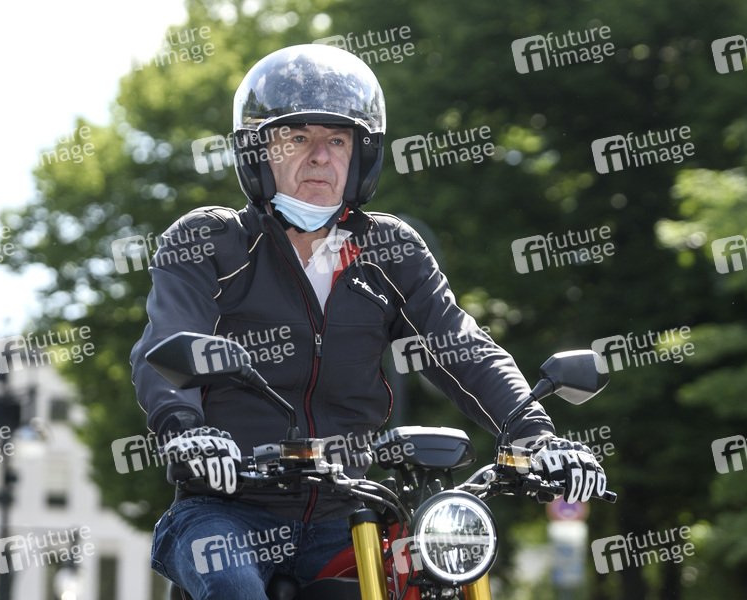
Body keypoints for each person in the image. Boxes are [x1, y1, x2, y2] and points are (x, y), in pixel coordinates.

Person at [130, 43, 607, 600]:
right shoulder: (211, 241)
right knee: (232, 582)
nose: (320, 157)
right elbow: (169, 343)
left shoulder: (391, 250)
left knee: (433, 583)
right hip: (228, 509)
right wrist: (188, 431)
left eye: (338, 141)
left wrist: (538, 438)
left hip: (350, 513)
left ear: (361, 156)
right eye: (297, 138)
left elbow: (461, 347)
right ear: (259, 152)